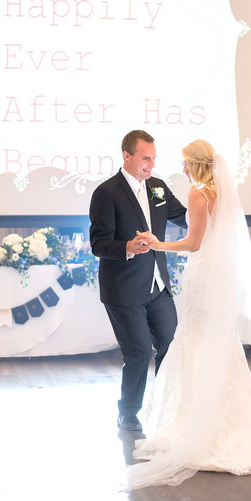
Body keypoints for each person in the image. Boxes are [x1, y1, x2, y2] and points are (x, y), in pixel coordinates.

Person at [127, 139, 251, 488]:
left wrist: (157, 243)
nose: (183, 169)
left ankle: (195, 426)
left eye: (185, 163)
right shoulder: (221, 190)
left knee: (195, 340)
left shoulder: (198, 193)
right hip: (218, 275)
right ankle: (230, 424)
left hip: (203, 275)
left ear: (196, 164)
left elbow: (194, 243)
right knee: (217, 343)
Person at [89, 130, 187, 432]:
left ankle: (166, 407)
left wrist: (211, 208)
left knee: (171, 345)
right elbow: (98, 244)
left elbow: (183, 216)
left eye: (154, 158)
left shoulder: (157, 187)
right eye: (146, 158)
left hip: (159, 287)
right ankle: (128, 411)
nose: (151, 164)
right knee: (140, 352)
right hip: (124, 289)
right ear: (127, 156)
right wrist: (128, 248)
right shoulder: (107, 193)